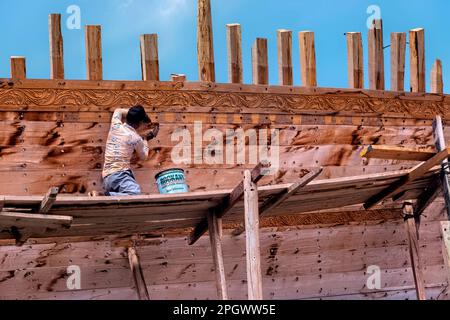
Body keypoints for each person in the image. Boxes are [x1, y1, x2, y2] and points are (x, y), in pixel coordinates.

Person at [101, 105, 159, 196]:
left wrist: (134, 113)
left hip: (107, 177)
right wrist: (145, 139)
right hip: (120, 175)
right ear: (140, 123)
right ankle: (102, 197)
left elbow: (118, 110)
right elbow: (144, 156)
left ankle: (110, 195)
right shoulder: (136, 138)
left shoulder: (115, 125)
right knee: (134, 193)